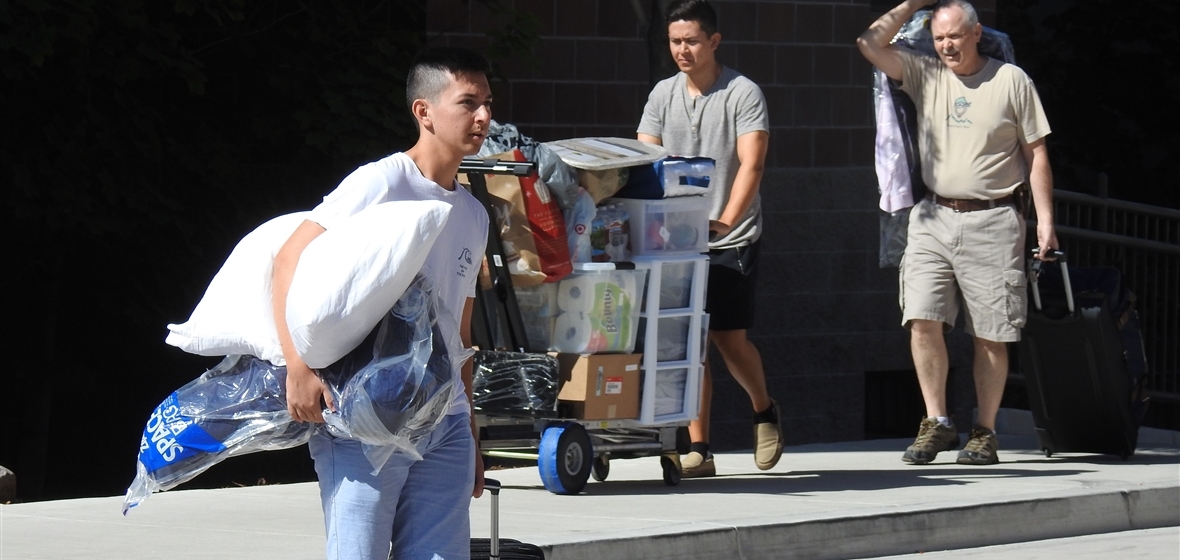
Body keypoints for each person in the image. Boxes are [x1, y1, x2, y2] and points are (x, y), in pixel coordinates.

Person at [271, 47, 492, 559]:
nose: (483, 116)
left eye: (487, 102)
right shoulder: (382, 182)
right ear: (424, 112)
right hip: (365, 417)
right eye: (467, 102)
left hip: (447, 424)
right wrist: (297, 365)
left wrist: (471, 430)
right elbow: (288, 260)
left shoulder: (474, 214)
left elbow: (460, 332)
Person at [857, 0, 1058, 465]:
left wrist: (1045, 223)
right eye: (939, 37)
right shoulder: (925, 72)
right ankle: (937, 423)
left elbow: (1037, 154)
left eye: (954, 36)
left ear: (975, 33)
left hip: (994, 218)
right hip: (932, 217)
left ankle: (984, 432)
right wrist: (911, 4)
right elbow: (869, 43)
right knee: (922, 317)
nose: (946, 45)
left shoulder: (1011, 80)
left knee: (989, 332)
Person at [638, 0, 782, 478]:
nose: (682, 49)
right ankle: (700, 449)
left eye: (691, 41)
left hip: (730, 239)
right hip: (675, 242)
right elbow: (645, 160)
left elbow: (752, 163)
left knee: (728, 339)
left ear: (713, 42)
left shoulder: (742, 92)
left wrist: (723, 221)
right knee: (689, 341)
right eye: (675, 41)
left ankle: (763, 409)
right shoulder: (662, 94)